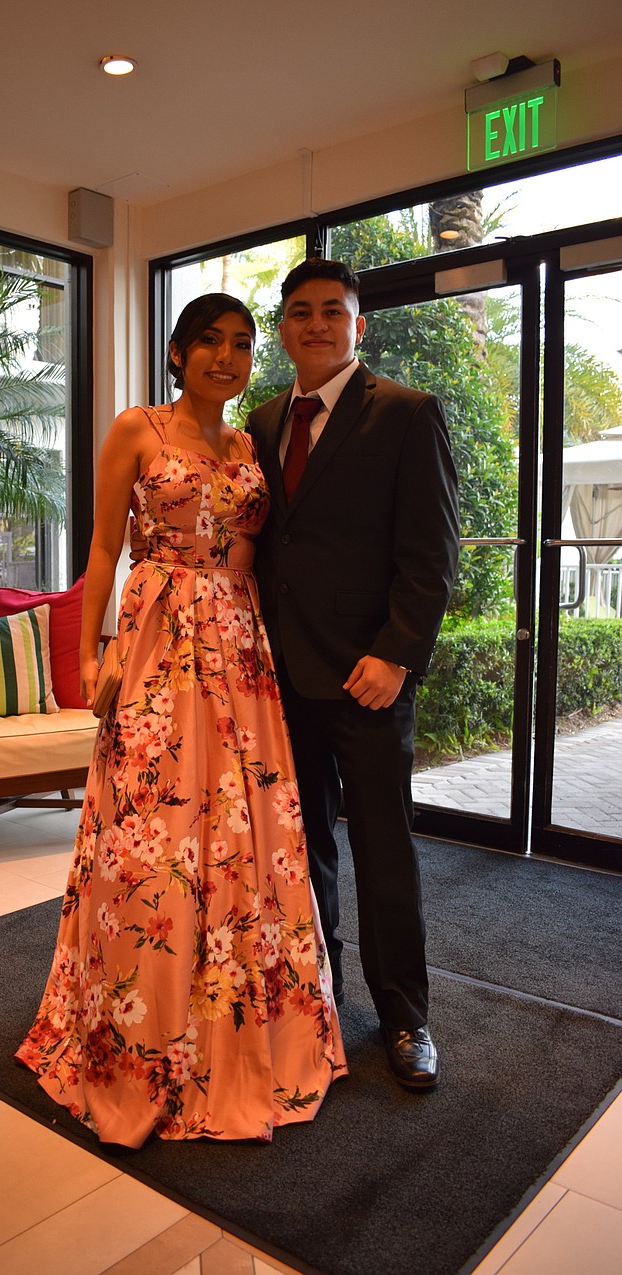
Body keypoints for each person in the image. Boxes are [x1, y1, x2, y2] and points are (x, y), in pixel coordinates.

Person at [16, 293, 347, 1148]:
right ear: (176, 351)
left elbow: (251, 550)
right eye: (209, 341)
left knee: (243, 836)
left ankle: (235, 1034)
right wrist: (87, 658)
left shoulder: (249, 444)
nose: (227, 357)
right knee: (150, 837)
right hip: (158, 637)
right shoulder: (136, 430)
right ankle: (138, 1036)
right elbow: (98, 548)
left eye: (241, 344)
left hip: (238, 653)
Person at [247, 259, 460, 1089]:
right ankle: (318, 993)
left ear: (357, 325)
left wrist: (398, 654)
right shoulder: (262, 422)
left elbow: (432, 555)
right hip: (282, 679)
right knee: (301, 852)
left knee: (383, 850)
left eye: (332, 311)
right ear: (285, 328)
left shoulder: (407, 414)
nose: (315, 324)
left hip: (369, 679)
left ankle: (406, 1016)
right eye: (299, 312)